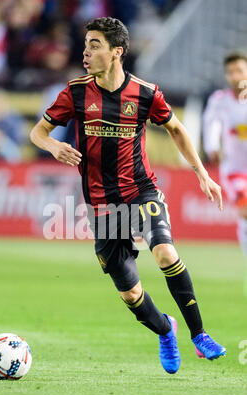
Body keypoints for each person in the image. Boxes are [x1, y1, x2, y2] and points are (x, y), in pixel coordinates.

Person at [30, 17, 226, 374]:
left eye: (94, 45)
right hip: (102, 206)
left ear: (116, 51)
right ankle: (166, 330)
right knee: (131, 295)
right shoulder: (75, 92)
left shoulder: (145, 93)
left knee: (166, 252)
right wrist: (53, 146)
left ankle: (200, 335)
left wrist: (202, 173)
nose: (85, 52)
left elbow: (176, 128)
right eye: (86, 44)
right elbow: (38, 132)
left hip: (140, 191)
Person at [203, 52, 247, 294]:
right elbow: (211, 122)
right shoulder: (220, 99)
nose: (235, 76)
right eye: (231, 72)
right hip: (235, 171)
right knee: (244, 208)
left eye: (240, 70)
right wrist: (211, 146)